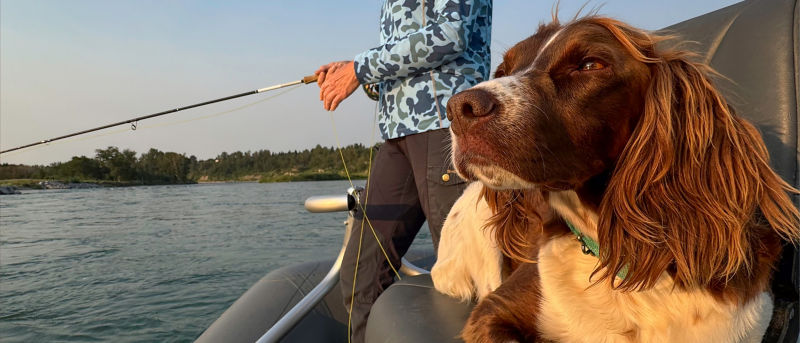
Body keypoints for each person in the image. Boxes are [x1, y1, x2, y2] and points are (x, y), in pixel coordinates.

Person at [315, 1, 492, 341]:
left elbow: (449, 35)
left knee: (468, 277)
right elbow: (399, 64)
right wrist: (356, 73)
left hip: (445, 127)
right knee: (360, 273)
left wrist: (360, 68)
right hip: (396, 137)